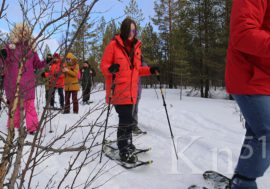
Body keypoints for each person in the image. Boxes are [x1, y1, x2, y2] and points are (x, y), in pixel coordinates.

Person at [100, 17, 159, 163]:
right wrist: (110, 69)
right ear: (124, 29)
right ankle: (123, 149)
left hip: (131, 92)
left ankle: (126, 142)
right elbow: (103, 66)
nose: (132, 32)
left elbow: (137, 70)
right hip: (118, 91)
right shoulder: (113, 46)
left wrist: (150, 70)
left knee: (129, 120)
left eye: (134, 30)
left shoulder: (136, 48)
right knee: (126, 120)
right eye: (130, 29)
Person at [225, 1, 270, 189]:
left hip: (265, 78)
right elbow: (243, 33)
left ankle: (241, 178)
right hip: (248, 75)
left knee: (257, 133)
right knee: (267, 132)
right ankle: (243, 183)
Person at [0, 23, 45, 134]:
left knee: (30, 107)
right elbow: (2, 65)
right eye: (20, 30)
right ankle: (13, 126)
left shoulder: (31, 50)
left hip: (28, 84)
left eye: (25, 31)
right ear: (16, 32)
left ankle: (33, 128)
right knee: (14, 107)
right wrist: (2, 56)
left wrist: (47, 62)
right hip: (12, 83)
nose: (23, 33)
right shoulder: (10, 48)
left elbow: (38, 64)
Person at [132, 56, 148, 135]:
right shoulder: (130, 63)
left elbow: (146, 69)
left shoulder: (139, 66)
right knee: (130, 110)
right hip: (129, 92)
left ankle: (134, 126)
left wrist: (141, 60)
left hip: (138, 91)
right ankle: (129, 126)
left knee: (135, 110)